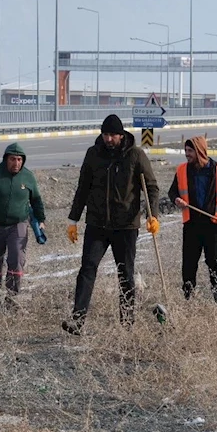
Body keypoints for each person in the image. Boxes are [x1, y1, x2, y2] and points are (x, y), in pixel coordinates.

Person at [62, 114, 160, 335]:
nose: (108, 139)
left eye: (112, 135)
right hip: (97, 224)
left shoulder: (135, 155)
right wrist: (73, 219)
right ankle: (77, 320)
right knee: (87, 269)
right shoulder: (93, 154)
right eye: (105, 134)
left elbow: (151, 187)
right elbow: (83, 188)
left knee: (126, 275)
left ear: (121, 134)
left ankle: (127, 324)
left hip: (125, 226)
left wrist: (152, 215)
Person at [0, 143, 45, 311]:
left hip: (18, 226)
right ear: (6, 159)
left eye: (19, 160)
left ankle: (12, 300)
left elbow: (37, 200)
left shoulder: (28, 177)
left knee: (16, 260)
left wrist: (41, 219)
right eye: (12, 159)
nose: (16, 163)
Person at [168, 136, 217, 304]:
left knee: (214, 260)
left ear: (200, 151)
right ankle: (188, 294)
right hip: (192, 224)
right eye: (186, 151)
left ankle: (216, 289)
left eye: (190, 151)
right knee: (189, 262)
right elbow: (172, 192)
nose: (187, 154)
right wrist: (177, 199)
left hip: (213, 224)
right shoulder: (182, 170)